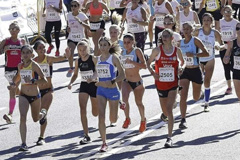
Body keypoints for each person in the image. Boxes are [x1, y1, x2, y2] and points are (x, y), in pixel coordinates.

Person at [147, 28, 184, 148]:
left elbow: (182, 62)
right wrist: (153, 73)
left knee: (169, 109)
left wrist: (181, 68)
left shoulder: (177, 50)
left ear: (172, 38)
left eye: (167, 35)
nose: (164, 37)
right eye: (163, 36)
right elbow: (148, 63)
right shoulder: (157, 50)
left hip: (173, 83)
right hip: (161, 84)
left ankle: (169, 137)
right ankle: (165, 113)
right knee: (165, 111)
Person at [33, 40, 70, 145]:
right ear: (35, 50)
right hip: (36, 91)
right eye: (40, 48)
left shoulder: (48, 58)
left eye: (44, 47)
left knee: (43, 112)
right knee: (37, 116)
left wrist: (66, 55)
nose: (42, 50)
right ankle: (41, 134)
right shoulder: (33, 62)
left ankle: (41, 137)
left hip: (48, 90)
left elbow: (61, 58)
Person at [11, 45, 48, 151]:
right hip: (23, 95)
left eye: (28, 52)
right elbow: (18, 76)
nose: (25, 55)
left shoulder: (34, 65)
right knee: (22, 117)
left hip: (35, 96)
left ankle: (43, 114)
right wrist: (14, 83)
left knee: (36, 119)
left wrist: (34, 81)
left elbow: (44, 80)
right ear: (21, 55)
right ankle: (23, 143)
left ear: (32, 54)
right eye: (23, 53)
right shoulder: (20, 65)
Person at [95, 37, 125, 152]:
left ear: (109, 46)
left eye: (104, 45)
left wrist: (112, 81)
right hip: (101, 90)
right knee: (101, 116)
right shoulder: (97, 59)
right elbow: (95, 73)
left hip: (112, 90)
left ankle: (119, 103)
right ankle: (104, 142)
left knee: (113, 119)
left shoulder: (114, 58)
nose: (102, 47)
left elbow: (122, 75)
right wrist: (91, 79)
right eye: (100, 45)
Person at [68, 39, 99, 145]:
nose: (82, 52)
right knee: (82, 109)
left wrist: (93, 77)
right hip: (84, 85)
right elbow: (76, 74)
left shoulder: (93, 59)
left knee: (95, 113)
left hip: (94, 85)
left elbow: (97, 71)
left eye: (84, 49)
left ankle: (100, 116)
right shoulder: (78, 61)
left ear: (89, 49)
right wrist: (71, 83)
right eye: (80, 50)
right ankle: (86, 135)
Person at [179, 22, 209, 129]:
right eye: (184, 29)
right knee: (183, 96)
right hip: (185, 71)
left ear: (192, 30)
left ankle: (200, 94)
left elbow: (206, 53)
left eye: (188, 29)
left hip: (195, 70)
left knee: (196, 98)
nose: (186, 31)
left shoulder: (195, 40)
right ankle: (183, 119)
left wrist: (194, 55)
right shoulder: (180, 42)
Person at [194, 13, 225, 112]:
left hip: (210, 59)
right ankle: (202, 92)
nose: (206, 22)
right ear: (202, 22)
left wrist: (218, 47)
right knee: (199, 81)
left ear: (212, 22)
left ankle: (206, 103)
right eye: (204, 20)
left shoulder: (215, 33)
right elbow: (190, 41)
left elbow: (223, 45)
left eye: (208, 20)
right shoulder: (198, 32)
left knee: (207, 81)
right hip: (199, 58)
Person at [120, 33, 147, 132]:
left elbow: (144, 66)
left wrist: (132, 63)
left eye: (128, 42)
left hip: (137, 82)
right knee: (124, 100)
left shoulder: (137, 51)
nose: (126, 44)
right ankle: (127, 118)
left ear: (133, 42)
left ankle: (143, 120)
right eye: (124, 42)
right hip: (126, 81)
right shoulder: (122, 52)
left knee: (138, 103)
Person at [0, 22, 25, 124]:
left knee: (12, 89)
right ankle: (25, 95)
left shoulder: (22, 41)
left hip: (19, 69)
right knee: (15, 90)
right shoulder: (6, 41)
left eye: (14, 29)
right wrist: (3, 49)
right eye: (10, 29)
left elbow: (29, 53)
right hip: (9, 69)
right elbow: (0, 50)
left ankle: (10, 114)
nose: (12, 30)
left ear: (19, 30)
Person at [216, 5, 239, 94]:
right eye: (225, 11)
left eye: (229, 11)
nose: (227, 13)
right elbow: (217, 34)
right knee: (226, 67)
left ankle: (237, 82)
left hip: (233, 46)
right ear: (223, 12)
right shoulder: (220, 22)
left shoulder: (235, 22)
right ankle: (229, 87)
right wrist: (219, 44)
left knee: (235, 66)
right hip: (224, 46)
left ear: (232, 12)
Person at [66, 0, 90, 77]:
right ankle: (71, 68)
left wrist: (81, 22)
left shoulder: (82, 16)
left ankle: (81, 69)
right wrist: (67, 29)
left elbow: (89, 27)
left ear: (78, 7)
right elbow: (68, 26)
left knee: (82, 56)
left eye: (75, 6)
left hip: (80, 38)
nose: (73, 7)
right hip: (71, 37)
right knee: (70, 52)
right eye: (72, 6)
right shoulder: (68, 15)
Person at [224, 22, 240, 101]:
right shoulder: (232, 42)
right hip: (236, 71)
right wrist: (226, 59)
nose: (239, 30)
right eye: (237, 29)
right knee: (239, 95)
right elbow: (226, 55)